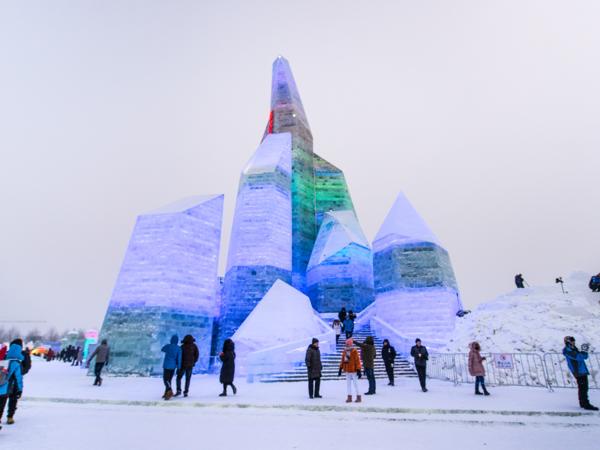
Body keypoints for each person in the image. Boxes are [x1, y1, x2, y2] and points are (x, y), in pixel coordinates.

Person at [563, 336, 598, 410]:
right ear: (568, 342)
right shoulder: (568, 350)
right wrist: (584, 352)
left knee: (583, 388)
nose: (574, 342)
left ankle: (583, 403)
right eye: (572, 341)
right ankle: (585, 404)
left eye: (574, 340)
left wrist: (584, 352)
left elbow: (584, 357)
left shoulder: (573, 349)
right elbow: (579, 357)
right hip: (578, 371)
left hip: (581, 370)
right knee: (583, 388)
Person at [0, 340, 24, 428]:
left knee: (0, 405)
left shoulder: (3, 358)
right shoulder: (16, 363)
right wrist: (20, 389)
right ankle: (10, 417)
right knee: (12, 401)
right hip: (9, 387)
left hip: (0, 385)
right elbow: (19, 378)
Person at [338, 338, 362, 403]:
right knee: (348, 384)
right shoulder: (345, 351)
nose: (346, 345)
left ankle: (358, 396)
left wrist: (359, 369)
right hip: (347, 370)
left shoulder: (354, 351)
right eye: (346, 344)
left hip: (353, 370)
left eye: (348, 344)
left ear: (350, 344)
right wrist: (340, 368)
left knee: (355, 384)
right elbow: (342, 360)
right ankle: (349, 397)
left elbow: (357, 361)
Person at [161, 335, 181, 400]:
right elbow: (179, 359)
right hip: (173, 366)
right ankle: (166, 393)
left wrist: (169, 345)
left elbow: (162, 349)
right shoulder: (179, 348)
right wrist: (178, 367)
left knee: (165, 379)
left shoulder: (168, 346)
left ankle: (169, 390)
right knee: (169, 380)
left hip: (166, 365)